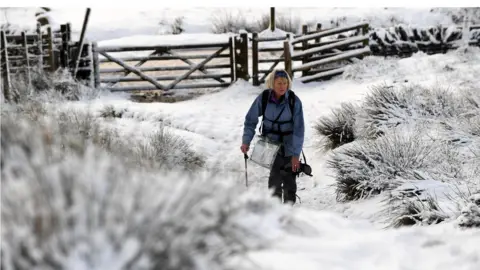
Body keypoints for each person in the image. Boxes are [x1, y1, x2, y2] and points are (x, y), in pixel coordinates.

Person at [240, 69, 305, 204]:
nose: (282, 86)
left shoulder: (294, 101)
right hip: (270, 145)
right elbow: (250, 120)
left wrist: (295, 155)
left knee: (289, 181)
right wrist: (246, 141)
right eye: (279, 83)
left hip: (289, 145)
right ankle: (275, 211)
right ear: (272, 84)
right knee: (274, 179)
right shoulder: (263, 98)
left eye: (285, 83)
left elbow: (299, 130)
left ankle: (288, 211)